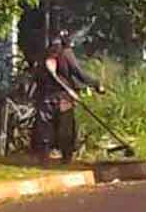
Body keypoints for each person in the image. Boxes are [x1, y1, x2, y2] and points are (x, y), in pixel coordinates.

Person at [33, 35, 103, 165]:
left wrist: (93, 84)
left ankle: (48, 158)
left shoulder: (45, 57)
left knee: (48, 129)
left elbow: (36, 78)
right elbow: (78, 73)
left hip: (50, 98)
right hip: (60, 97)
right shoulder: (66, 54)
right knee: (63, 129)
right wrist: (96, 83)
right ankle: (61, 158)